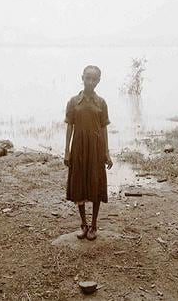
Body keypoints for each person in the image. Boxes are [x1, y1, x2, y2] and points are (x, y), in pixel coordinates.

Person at [64, 65, 112, 241]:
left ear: (98, 81)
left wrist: (106, 152)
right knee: (79, 184)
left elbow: (104, 128)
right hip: (78, 148)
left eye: (94, 79)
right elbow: (70, 126)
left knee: (95, 184)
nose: (90, 82)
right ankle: (83, 224)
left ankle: (94, 225)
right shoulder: (73, 101)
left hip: (96, 149)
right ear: (82, 78)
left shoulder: (101, 103)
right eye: (88, 78)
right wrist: (67, 151)